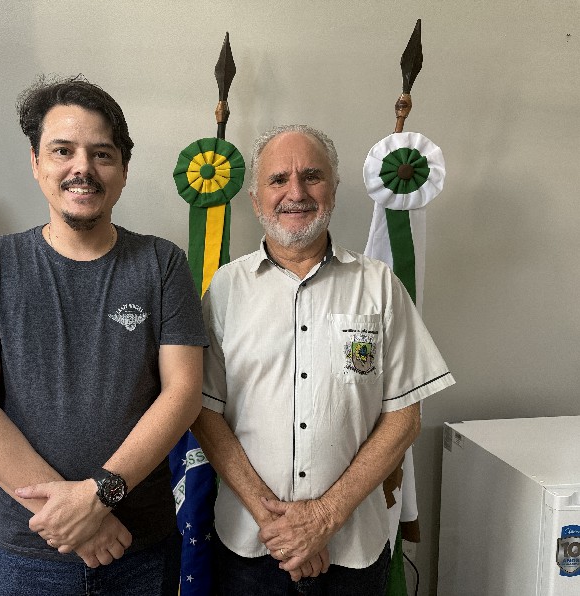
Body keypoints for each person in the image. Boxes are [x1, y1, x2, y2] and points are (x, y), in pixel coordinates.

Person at [0, 76, 208, 596]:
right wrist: (76, 520)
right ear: (36, 162)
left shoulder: (163, 264)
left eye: (102, 153)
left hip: (141, 547)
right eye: (62, 150)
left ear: (124, 170)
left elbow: (183, 393)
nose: (82, 167)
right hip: (30, 552)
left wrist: (99, 496)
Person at [190, 124, 455, 595]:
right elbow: (204, 413)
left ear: (333, 190)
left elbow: (404, 418)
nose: (296, 192)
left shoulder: (379, 285)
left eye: (311, 177)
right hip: (251, 548)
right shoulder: (226, 289)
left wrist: (324, 518)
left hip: (354, 550)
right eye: (278, 179)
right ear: (255, 199)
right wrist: (279, 525)